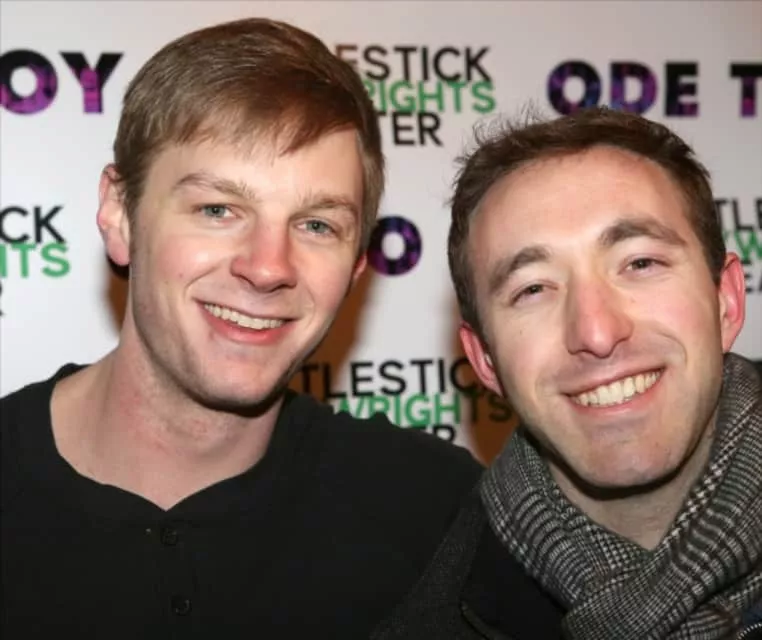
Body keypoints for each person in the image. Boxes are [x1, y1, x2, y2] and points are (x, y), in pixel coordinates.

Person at [0, 18, 483, 638]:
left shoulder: (435, 513)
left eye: (316, 225)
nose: (267, 267)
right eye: (218, 209)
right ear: (120, 215)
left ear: (358, 263)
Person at [373, 107, 762, 639]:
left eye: (640, 263)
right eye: (533, 289)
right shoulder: (434, 623)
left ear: (726, 301)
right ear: (485, 360)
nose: (596, 332)